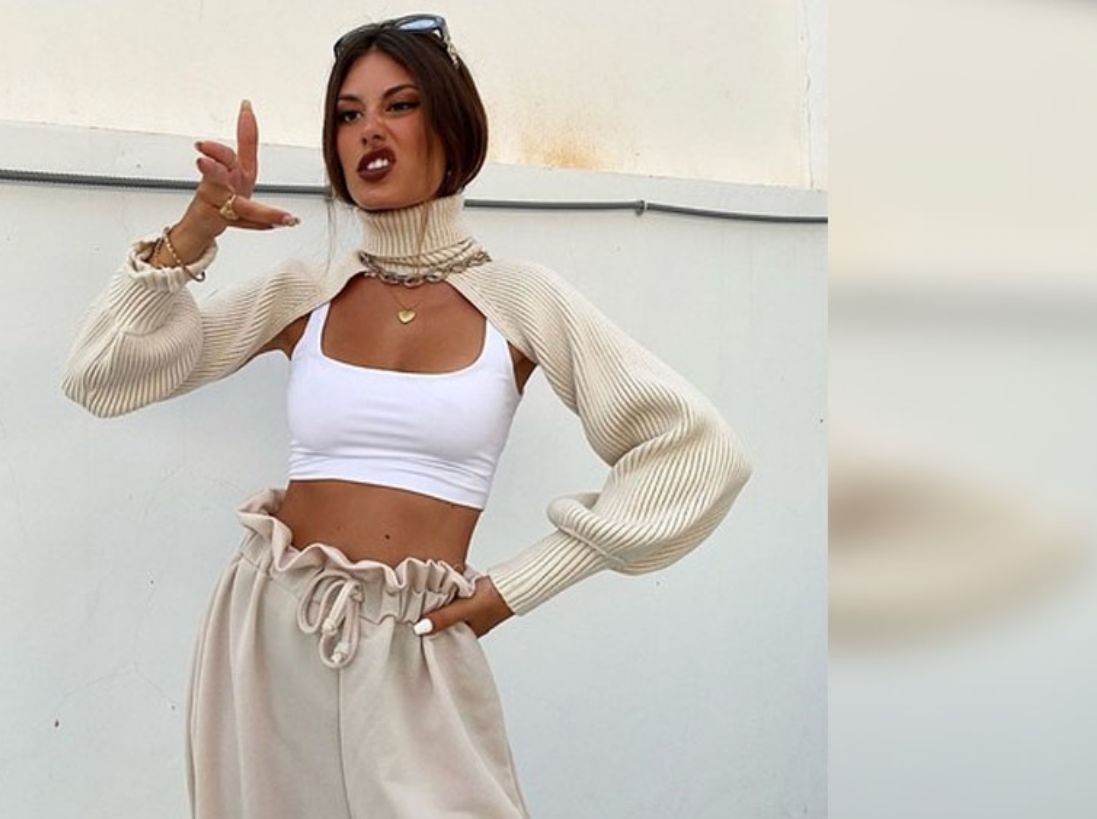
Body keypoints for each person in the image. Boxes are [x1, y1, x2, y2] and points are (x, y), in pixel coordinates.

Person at [60, 13, 753, 818]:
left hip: (418, 645)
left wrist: (515, 588)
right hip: (269, 628)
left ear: (449, 126)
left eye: (400, 105)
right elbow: (101, 376)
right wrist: (195, 230)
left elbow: (699, 451)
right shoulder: (303, 293)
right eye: (348, 114)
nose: (369, 131)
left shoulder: (519, 299)